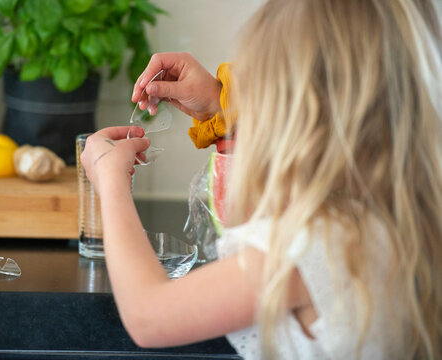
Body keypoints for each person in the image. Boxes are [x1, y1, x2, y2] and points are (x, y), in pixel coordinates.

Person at [80, 0, 442, 359]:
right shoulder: (398, 218)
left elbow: (148, 316)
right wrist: (222, 109)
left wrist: (110, 180)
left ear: (305, 113)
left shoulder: (317, 244)